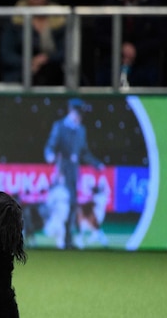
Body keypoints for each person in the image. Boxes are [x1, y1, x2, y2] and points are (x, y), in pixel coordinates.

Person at [44, 98, 105, 249]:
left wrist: (97, 164)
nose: (79, 117)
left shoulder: (81, 130)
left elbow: (84, 153)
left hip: (73, 175)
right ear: (71, 111)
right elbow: (50, 146)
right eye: (77, 113)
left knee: (72, 205)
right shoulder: (59, 126)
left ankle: (67, 238)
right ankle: (57, 235)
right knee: (61, 205)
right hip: (61, 174)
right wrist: (50, 155)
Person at [94, 0, 167, 87]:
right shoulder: (109, 4)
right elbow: (98, 35)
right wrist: (121, 47)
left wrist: (137, 50)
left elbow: (162, 36)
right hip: (113, 57)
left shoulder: (154, 5)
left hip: (144, 59)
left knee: (150, 72)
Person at [0, 0, 66, 85]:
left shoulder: (60, 18)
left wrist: (46, 59)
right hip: (20, 73)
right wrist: (28, 62)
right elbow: (6, 54)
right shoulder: (15, 20)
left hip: (54, 72)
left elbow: (66, 51)